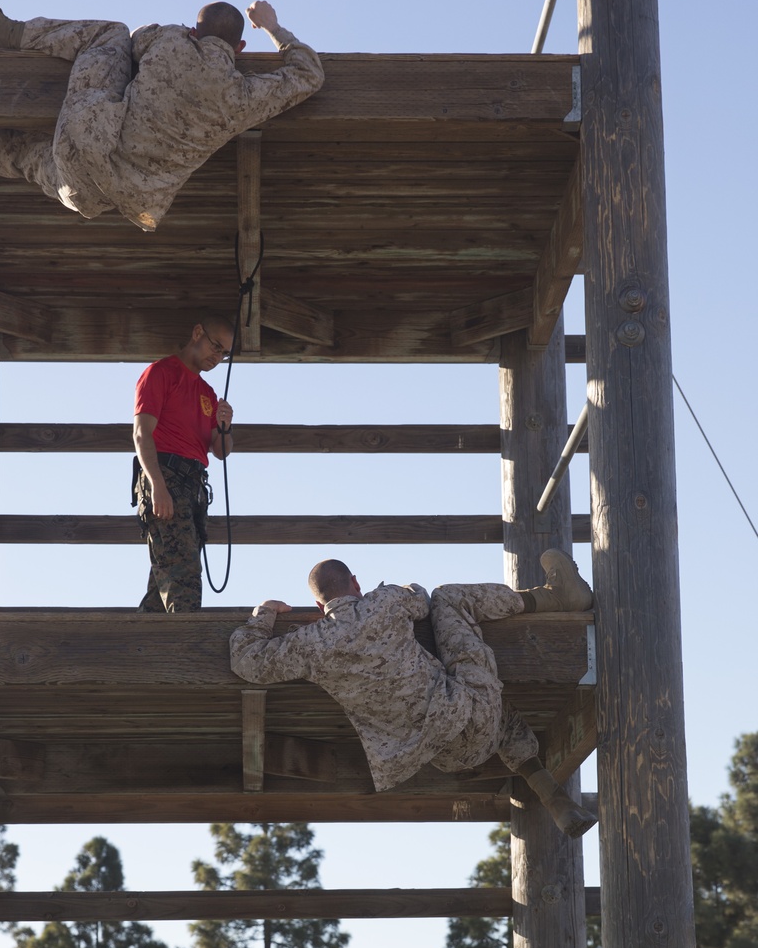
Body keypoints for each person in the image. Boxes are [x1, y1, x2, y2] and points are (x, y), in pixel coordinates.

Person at [229, 551, 597, 839]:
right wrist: (399, 589)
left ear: (318, 607)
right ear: (355, 583)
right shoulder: (383, 601)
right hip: (471, 711)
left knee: (497, 714)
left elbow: (247, 662)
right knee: (449, 599)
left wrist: (264, 612)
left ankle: (554, 797)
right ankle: (554, 597)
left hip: (443, 756)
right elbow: (422, 601)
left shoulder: (309, 645)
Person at [0, 0, 324, 232]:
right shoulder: (242, 99)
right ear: (239, 49)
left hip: (87, 143)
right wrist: (273, 27)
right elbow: (309, 74)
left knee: (110, 33)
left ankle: (9, 35)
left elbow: (138, 41)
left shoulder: (174, 41)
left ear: (195, 31)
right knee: (25, 160)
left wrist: (175, 40)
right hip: (99, 198)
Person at [133, 316, 236, 612]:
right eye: (215, 347)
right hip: (165, 474)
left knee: (166, 574)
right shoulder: (161, 372)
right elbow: (142, 433)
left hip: (194, 485)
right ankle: (188, 644)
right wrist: (157, 486)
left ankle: (143, 644)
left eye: (224, 354)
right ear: (197, 333)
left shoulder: (208, 394)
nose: (217, 357)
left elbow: (221, 450)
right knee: (184, 572)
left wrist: (225, 425)